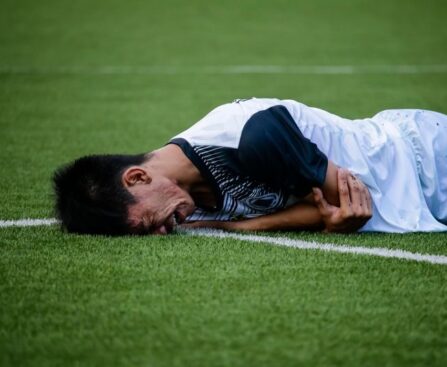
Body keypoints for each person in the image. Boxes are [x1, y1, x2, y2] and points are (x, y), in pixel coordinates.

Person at [53, 98, 447, 235]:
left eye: (147, 224)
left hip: (424, 156)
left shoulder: (252, 135)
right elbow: (328, 214)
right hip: (416, 200)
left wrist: (234, 227)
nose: (160, 232)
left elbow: (342, 205)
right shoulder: (182, 201)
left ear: (137, 177)